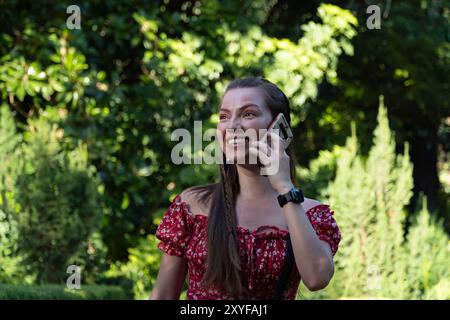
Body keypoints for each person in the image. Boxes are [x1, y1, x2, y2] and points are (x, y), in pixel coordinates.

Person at [150, 77, 341, 300]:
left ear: (278, 127)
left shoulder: (308, 213)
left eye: (248, 114)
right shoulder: (194, 205)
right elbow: (162, 296)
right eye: (224, 116)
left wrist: (285, 188)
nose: (231, 126)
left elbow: (317, 278)